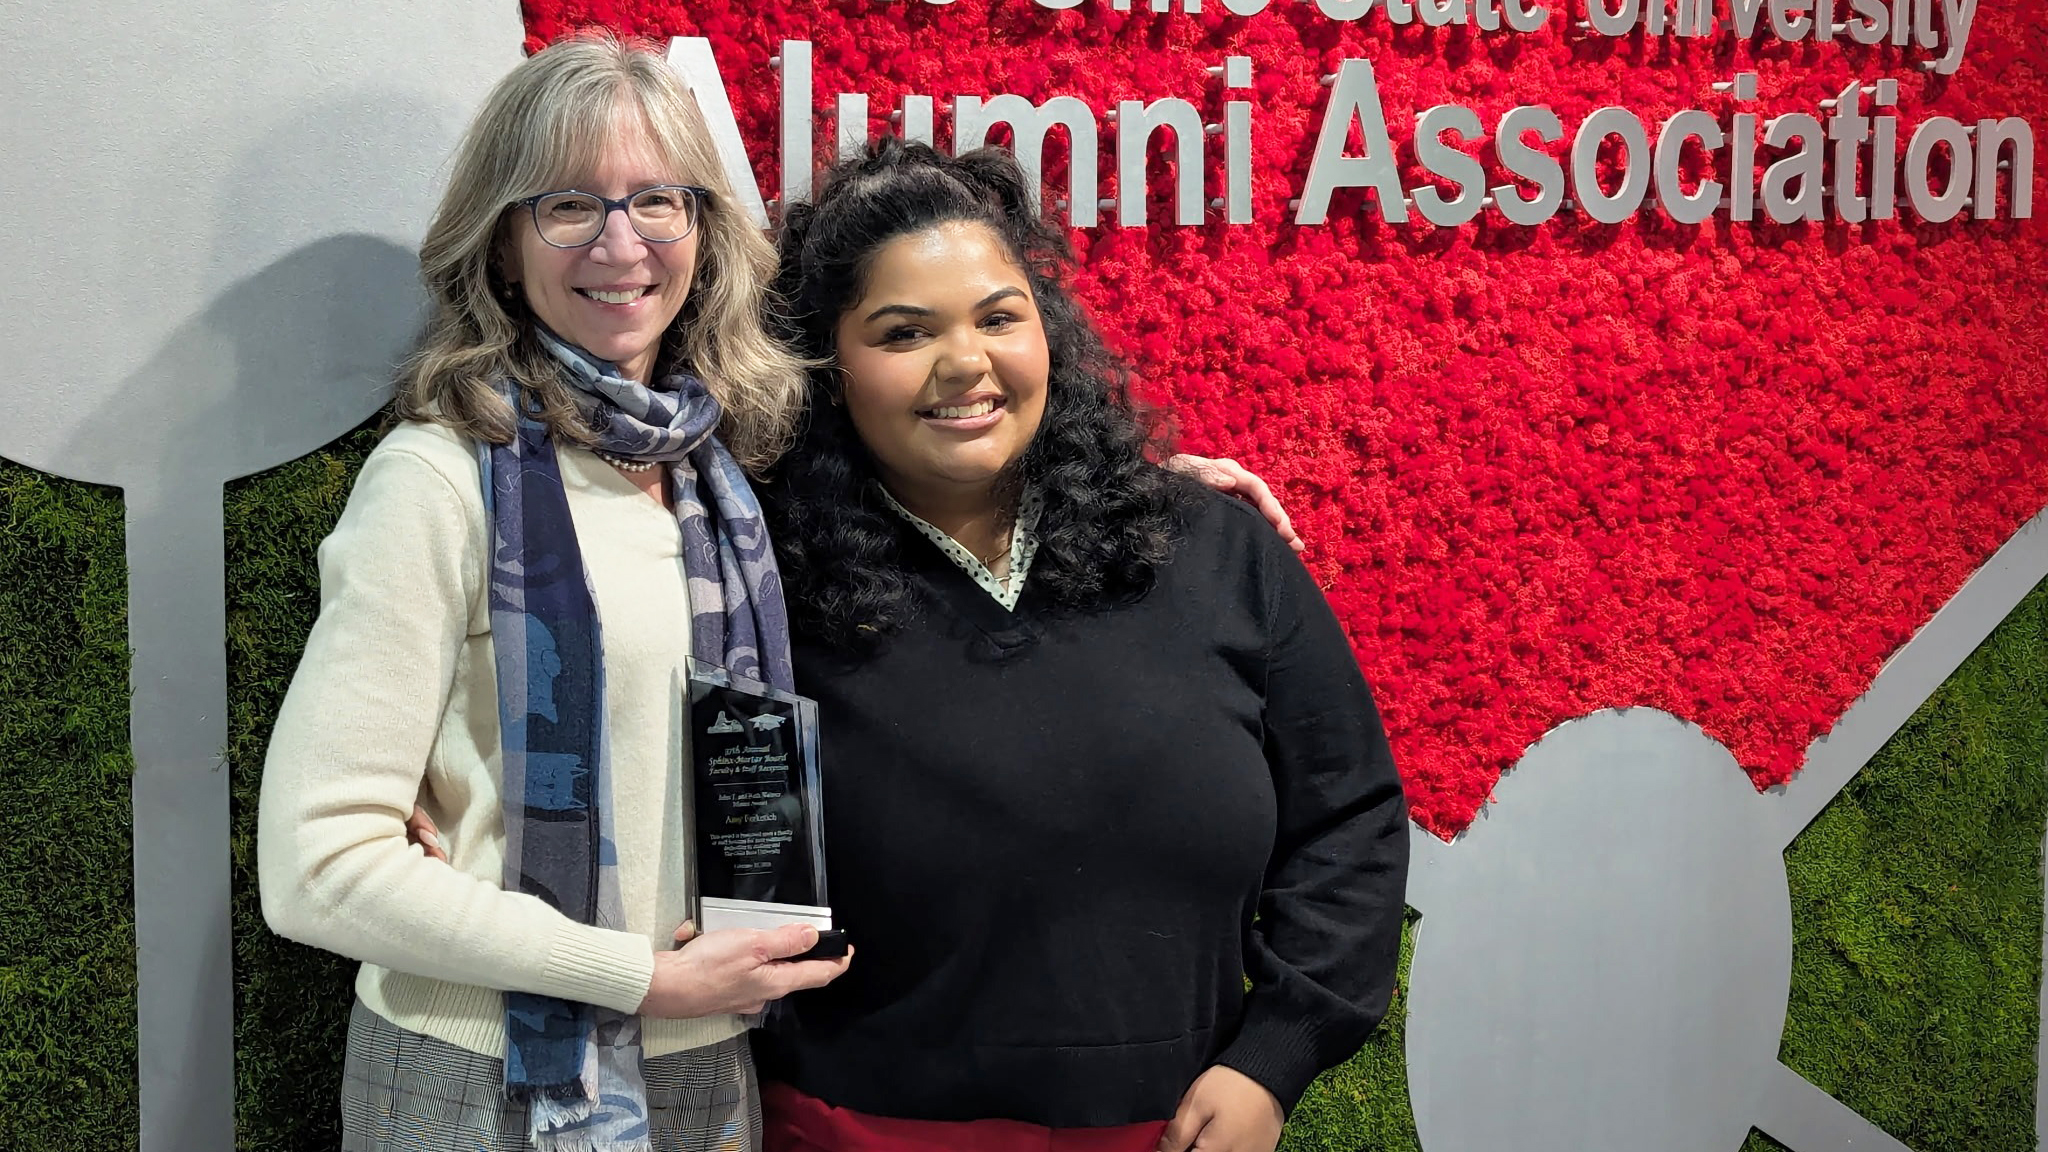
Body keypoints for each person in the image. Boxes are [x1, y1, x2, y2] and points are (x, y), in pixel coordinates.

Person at [260, 33, 1297, 1152]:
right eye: (568, 206)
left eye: (656, 201)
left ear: (703, 232)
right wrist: (637, 976)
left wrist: (1152, 488)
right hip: (498, 1070)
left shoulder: (726, 485)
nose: (620, 243)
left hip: (709, 1064)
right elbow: (318, 867)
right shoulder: (441, 479)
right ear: (503, 246)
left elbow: (938, 458)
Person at [751, 139, 1410, 1152]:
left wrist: (1275, 1057)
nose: (964, 362)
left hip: (1180, 1130)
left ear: (1046, 331)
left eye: (998, 317)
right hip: (859, 1131)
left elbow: (1349, 819)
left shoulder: (1208, 548)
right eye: (903, 332)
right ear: (827, 367)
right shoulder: (760, 591)